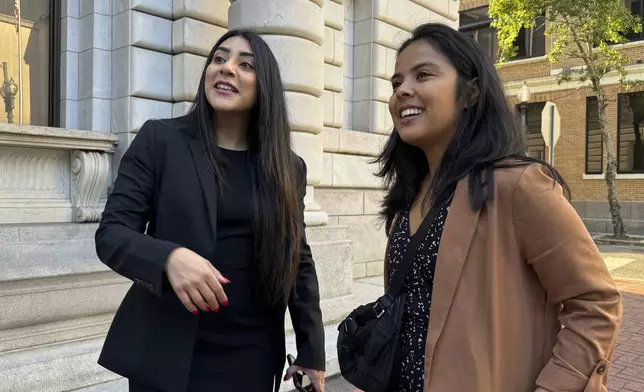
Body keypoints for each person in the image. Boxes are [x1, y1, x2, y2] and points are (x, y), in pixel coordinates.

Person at [370, 23, 621, 392]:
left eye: (422, 74)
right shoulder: (409, 196)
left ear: (470, 92)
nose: (402, 90)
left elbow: (596, 303)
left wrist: (555, 386)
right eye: (396, 82)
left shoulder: (519, 187)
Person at [94, 29, 325, 392]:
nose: (226, 69)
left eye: (244, 65)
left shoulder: (287, 167)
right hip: (169, 352)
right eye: (218, 59)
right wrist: (168, 258)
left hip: (251, 353)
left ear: (264, 86)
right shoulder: (160, 141)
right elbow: (111, 234)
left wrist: (312, 349)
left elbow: (298, 258)